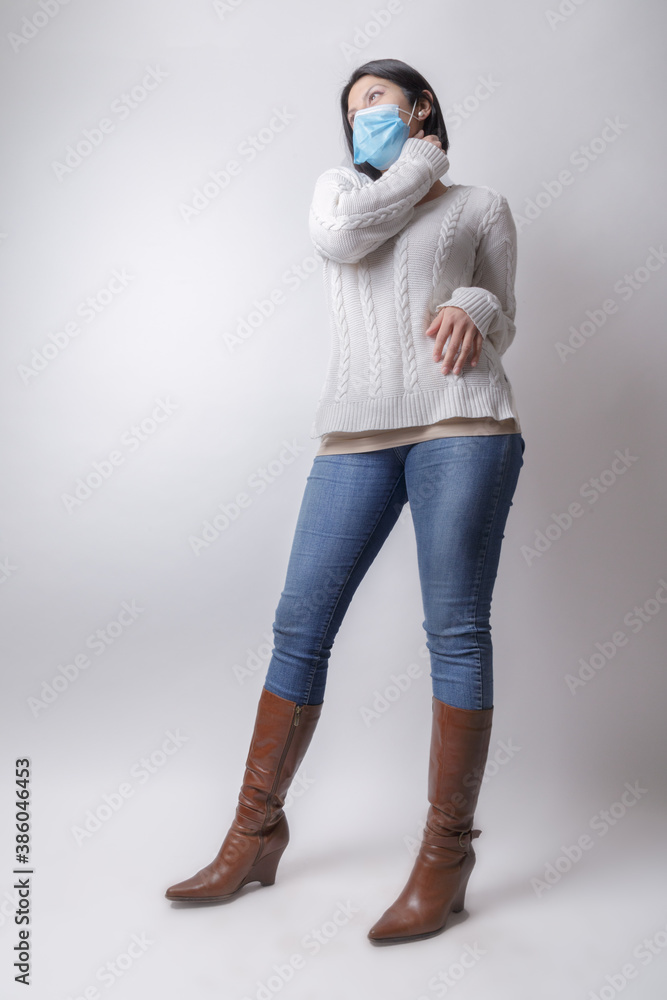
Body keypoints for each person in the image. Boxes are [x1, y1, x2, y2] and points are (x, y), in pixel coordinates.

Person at [165, 57, 525, 946]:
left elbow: (505, 314)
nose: (362, 113)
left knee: (455, 630)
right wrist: (421, 159)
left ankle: (447, 856)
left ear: (421, 104)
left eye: (377, 98)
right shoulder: (340, 190)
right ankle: (254, 834)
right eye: (353, 105)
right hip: (357, 433)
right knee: (300, 624)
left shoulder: (481, 207)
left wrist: (475, 303)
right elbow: (343, 240)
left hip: (461, 421)